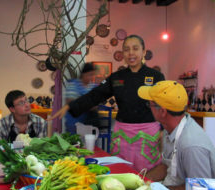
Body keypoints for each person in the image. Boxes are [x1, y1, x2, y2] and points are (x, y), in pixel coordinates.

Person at [50, 34, 165, 172]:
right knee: (122, 172)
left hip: (148, 134)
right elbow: (95, 94)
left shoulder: (156, 76)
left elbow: (164, 104)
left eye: (135, 48)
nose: (131, 53)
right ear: (123, 53)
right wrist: (71, 105)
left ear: (143, 52)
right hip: (122, 134)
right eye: (127, 49)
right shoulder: (116, 77)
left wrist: (163, 130)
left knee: (148, 175)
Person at [138, 80, 215, 190]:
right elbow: (166, 166)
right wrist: (139, 182)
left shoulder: (191, 145)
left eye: (149, 104)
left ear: (162, 111)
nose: (148, 108)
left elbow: (200, 189)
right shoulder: (169, 130)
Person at [65, 62, 100, 134]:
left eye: (93, 75)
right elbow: (70, 103)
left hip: (88, 123)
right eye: (89, 75)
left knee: (89, 143)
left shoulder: (93, 86)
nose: (91, 77)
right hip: (74, 123)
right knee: (74, 143)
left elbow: (96, 106)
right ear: (83, 74)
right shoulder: (74, 85)